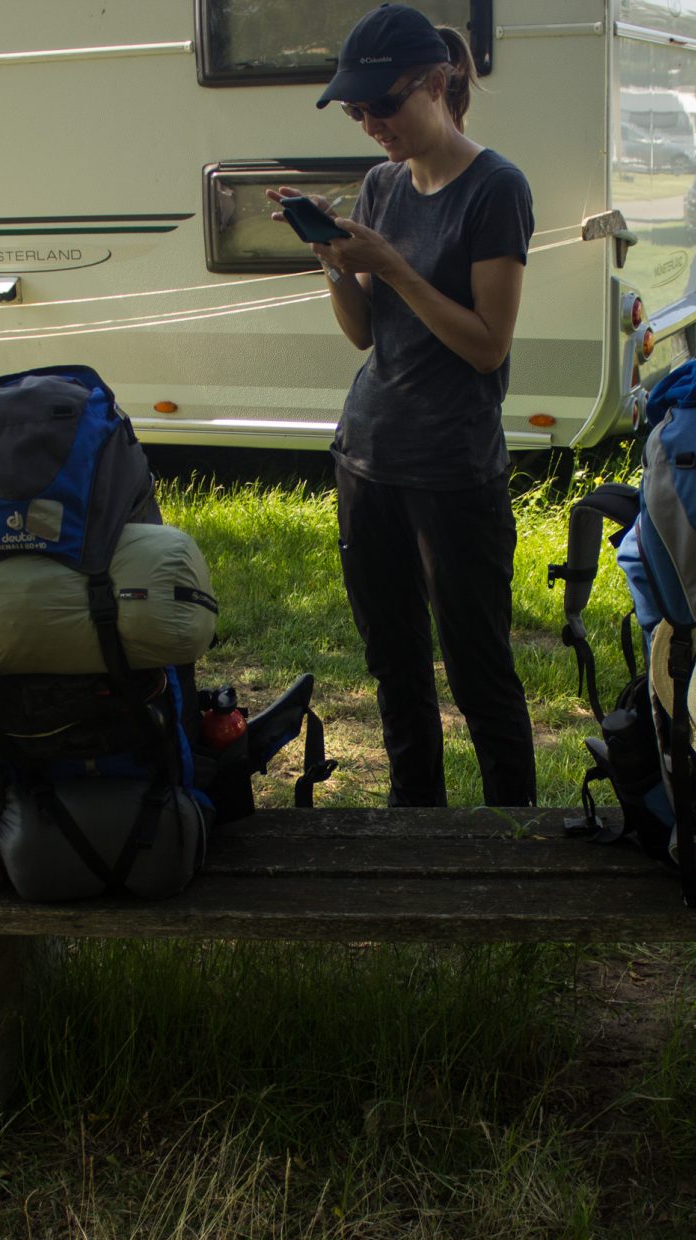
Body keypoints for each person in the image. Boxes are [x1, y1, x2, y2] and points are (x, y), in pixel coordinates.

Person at [266, 3, 536, 808]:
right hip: (367, 457)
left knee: (480, 674)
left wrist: (394, 264)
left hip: (452, 471)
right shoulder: (381, 186)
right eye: (357, 112)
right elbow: (361, 334)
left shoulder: (496, 188)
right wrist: (333, 262)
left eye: (382, 105)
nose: (371, 125)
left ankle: (512, 849)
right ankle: (417, 831)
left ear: (437, 81)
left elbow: (488, 344)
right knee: (396, 672)